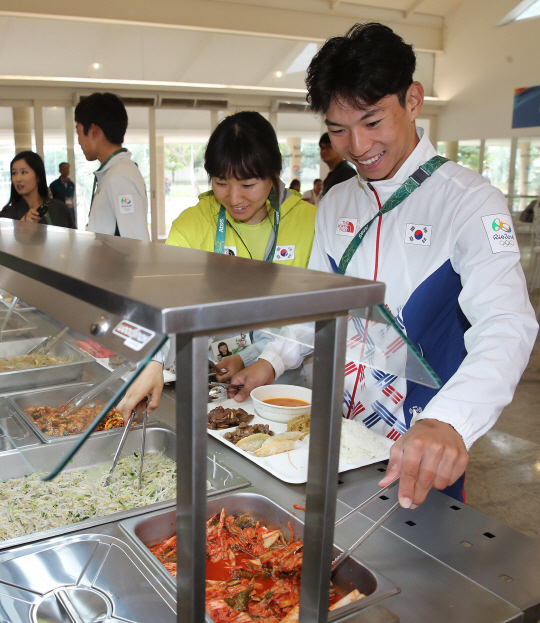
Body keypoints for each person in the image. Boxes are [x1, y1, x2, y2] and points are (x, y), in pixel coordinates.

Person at [226, 22, 538, 508]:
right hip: (332, 429)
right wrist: (272, 361)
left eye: (372, 122)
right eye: (337, 129)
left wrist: (450, 421)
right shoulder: (337, 201)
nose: (356, 146)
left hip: (418, 438)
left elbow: (507, 323)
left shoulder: (471, 202)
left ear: (412, 99)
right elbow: (318, 304)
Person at [116, 111, 317, 419]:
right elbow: (165, 301)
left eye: (248, 184)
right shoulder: (193, 224)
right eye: (221, 183)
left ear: (274, 172)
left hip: (284, 390)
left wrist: (265, 361)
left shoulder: (309, 223)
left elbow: (318, 313)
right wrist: (153, 361)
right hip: (213, 386)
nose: (234, 198)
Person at [75, 92, 149, 240]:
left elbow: (135, 242)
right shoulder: (114, 172)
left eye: (79, 132)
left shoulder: (120, 177)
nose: (78, 141)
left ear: (94, 131)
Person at [0, 151, 75, 228]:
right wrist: (21, 227)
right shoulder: (7, 215)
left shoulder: (60, 208)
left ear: (38, 175)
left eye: (23, 172)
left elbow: (73, 238)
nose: (18, 179)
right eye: (14, 173)